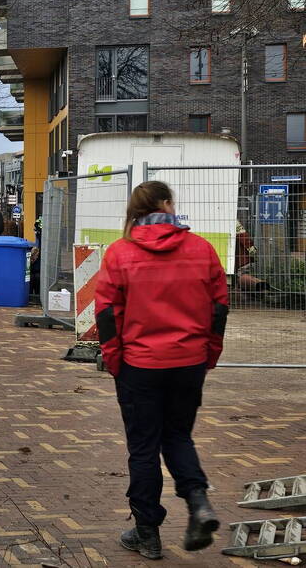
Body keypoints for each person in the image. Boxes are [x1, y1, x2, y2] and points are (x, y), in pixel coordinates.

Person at [95, 181, 227, 559]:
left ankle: (147, 532)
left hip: (140, 365)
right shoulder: (201, 249)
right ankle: (198, 502)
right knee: (178, 437)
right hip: (188, 362)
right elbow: (218, 308)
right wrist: (209, 355)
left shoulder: (121, 253)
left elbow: (107, 313)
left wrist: (116, 360)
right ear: (167, 205)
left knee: (143, 448)